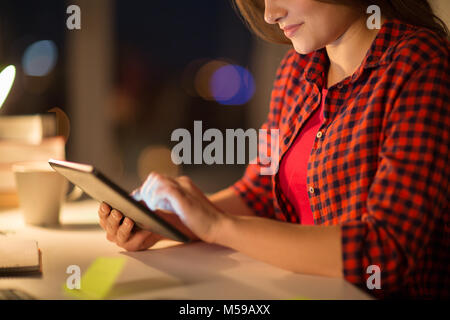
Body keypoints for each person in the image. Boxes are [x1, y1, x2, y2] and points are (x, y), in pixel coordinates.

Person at [98, 0, 449, 299]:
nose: (269, 13)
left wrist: (216, 225)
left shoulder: (421, 66)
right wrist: (170, 223)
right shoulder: (297, 69)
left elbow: (383, 252)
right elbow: (260, 191)